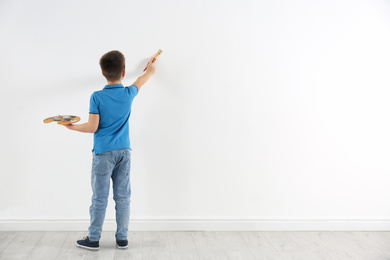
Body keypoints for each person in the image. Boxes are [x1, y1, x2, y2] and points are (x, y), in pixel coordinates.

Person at [64, 50, 156, 250]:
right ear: (123, 72)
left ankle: (94, 239)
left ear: (102, 72)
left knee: (99, 197)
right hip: (124, 152)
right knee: (123, 197)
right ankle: (122, 238)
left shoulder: (97, 97)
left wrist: (70, 126)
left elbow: (92, 127)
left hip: (103, 153)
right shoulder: (128, 93)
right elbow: (143, 78)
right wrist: (151, 67)